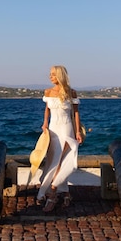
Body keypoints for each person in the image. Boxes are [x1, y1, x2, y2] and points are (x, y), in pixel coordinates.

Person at [37, 65, 83, 212]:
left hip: (66, 129)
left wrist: (78, 132)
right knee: (52, 161)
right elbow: (47, 109)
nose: (50, 77)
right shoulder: (48, 92)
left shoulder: (71, 92)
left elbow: (75, 113)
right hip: (53, 129)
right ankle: (67, 194)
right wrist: (44, 123)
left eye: (53, 74)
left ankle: (52, 194)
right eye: (50, 74)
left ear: (60, 76)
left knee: (60, 162)